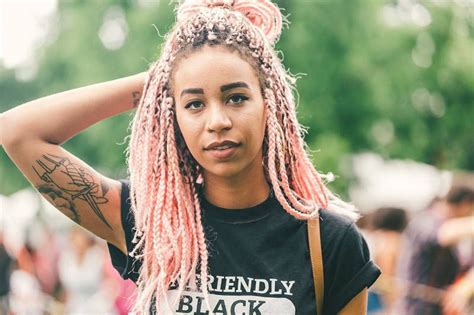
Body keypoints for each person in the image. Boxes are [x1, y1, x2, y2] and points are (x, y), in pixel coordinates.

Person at [0, 0, 381, 313]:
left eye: (236, 97)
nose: (217, 121)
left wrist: (191, 78)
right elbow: (17, 132)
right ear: (172, 116)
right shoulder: (147, 223)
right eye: (195, 103)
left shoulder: (330, 241)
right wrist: (157, 82)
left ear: (271, 104)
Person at [395, 186, 474, 314]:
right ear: (465, 204)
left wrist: (463, 288)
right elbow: (443, 235)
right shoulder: (425, 220)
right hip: (415, 307)